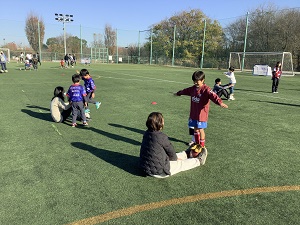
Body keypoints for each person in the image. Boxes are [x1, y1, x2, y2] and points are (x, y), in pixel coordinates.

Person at [139, 112, 208, 178]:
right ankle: (198, 161)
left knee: (169, 156)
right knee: (181, 164)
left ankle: (186, 154)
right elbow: (171, 152)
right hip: (160, 172)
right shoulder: (162, 137)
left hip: (145, 167)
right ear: (159, 124)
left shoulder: (146, 133)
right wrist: (176, 159)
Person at [174, 70, 228, 151]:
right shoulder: (193, 89)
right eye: (194, 81)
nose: (195, 83)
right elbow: (185, 90)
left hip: (201, 115)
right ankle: (197, 143)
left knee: (201, 129)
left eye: (197, 81)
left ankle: (202, 146)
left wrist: (220, 102)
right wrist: (179, 93)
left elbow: (214, 96)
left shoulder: (206, 89)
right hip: (193, 113)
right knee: (195, 128)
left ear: (203, 80)